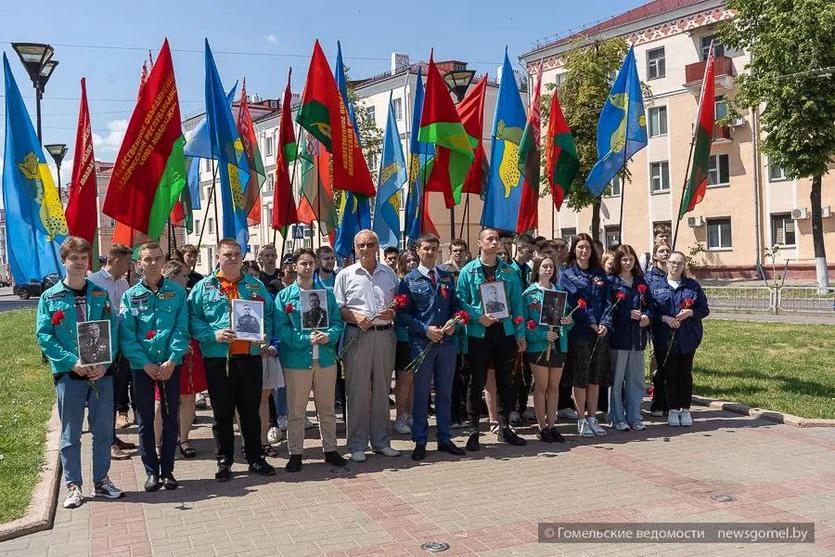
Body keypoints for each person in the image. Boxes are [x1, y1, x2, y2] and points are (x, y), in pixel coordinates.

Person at [36, 236, 124, 508]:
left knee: (103, 431)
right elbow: (45, 335)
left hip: (101, 374)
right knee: (71, 433)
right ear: (64, 261)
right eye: (73, 258)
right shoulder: (50, 297)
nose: (78, 263)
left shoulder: (99, 293)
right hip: (70, 374)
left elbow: (113, 330)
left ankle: (102, 480)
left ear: (89, 262)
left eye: (83, 258)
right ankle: (73, 485)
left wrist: (104, 363)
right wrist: (70, 361)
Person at [189, 238, 276, 481]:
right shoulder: (204, 287)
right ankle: (224, 459)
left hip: (250, 357)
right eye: (228, 254)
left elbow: (268, 315)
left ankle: (255, 457)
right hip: (219, 359)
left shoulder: (255, 286)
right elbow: (193, 318)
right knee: (223, 414)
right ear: (218, 257)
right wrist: (212, 335)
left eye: (237, 254)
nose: (233, 258)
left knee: (250, 412)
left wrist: (264, 334)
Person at [119, 242, 189, 491]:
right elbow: (127, 336)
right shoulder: (130, 296)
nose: (153, 263)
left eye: (157, 258)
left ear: (163, 261)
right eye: (147, 259)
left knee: (171, 420)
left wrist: (173, 358)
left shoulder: (178, 293)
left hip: (170, 365)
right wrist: (145, 363)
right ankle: (151, 471)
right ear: (139, 264)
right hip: (142, 368)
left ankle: (168, 470)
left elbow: (181, 329)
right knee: (146, 420)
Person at [397, 234, 467, 460]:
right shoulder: (409, 280)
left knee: (445, 393)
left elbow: (457, 306)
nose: (430, 252)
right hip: (422, 343)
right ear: (417, 250)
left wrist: (454, 322)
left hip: (446, 344)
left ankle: (444, 438)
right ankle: (420, 440)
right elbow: (403, 315)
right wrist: (425, 330)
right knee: (421, 394)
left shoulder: (446, 277)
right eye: (426, 248)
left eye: (434, 248)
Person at [275, 248, 346, 471]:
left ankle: (331, 449)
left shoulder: (326, 294)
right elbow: (282, 330)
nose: (307, 267)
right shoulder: (284, 297)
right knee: (296, 409)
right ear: (294, 266)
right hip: (298, 360)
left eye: (311, 263)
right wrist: (306, 338)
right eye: (303, 263)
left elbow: (337, 322)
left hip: (325, 358)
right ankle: (295, 452)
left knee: (326, 407)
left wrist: (329, 336)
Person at [457, 227, 527, 451]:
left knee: (506, 382)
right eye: (490, 239)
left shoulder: (508, 271)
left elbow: (517, 304)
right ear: (479, 243)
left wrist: (521, 333)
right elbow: (460, 302)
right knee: (475, 382)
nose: (495, 242)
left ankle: (505, 428)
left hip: (504, 331)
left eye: (497, 239)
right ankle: (473, 430)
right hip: (479, 333)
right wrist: (478, 317)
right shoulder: (468, 271)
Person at [334, 229, 401, 462]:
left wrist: (393, 310)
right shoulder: (345, 275)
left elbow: (397, 303)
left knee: (383, 390)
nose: (365, 249)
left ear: (377, 247)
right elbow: (338, 309)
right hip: (358, 336)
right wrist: (354, 316)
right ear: (355, 248)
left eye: (370, 244)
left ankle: (382, 441)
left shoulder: (389, 273)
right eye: (361, 245)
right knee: (358, 391)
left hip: (384, 335)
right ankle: (357, 444)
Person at [559, 233, 613, 438]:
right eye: (580, 247)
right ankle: (581, 419)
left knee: (595, 378)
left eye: (588, 248)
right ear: (574, 250)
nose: (584, 251)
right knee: (580, 378)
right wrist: (591, 322)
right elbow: (573, 304)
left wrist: (605, 323)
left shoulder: (599, 274)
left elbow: (608, 301)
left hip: (600, 334)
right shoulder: (567, 274)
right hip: (580, 333)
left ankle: (592, 417)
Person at [649, 251, 710, 427]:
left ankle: (685, 409)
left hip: (687, 338)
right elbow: (651, 311)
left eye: (680, 263)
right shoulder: (656, 286)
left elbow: (704, 309)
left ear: (684, 266)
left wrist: (690, 312)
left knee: (685, 374)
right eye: (673, 262)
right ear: (667, 264)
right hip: (664, 338)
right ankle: (673, 410)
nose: (676, 266)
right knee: (669, 374)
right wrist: (664, 318)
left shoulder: (692, 286)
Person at [88, 243, 136, 459]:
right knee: (103, 396)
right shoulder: (94, 283)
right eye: (127, 262)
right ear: (116, 261)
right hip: (101, 343)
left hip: (121, 343)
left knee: (117, 390)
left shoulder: (124, 282)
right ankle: (107, 444)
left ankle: (113, 437)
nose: (129, 266)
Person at [159, 260, 207, 459]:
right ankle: (161, 440)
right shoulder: (158, 296)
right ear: (171, 277)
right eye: (184, 276)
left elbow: (195, 320)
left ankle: (184, 438)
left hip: (190, 351)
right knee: (162, 399)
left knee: (187, 396)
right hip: (164, 352)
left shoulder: (188, 297)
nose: (188, 280)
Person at [523, 256, 573, 442]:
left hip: (559, 345)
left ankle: (552, 425)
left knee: (554, 387)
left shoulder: (559, 292)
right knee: (542, 386)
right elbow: (525, 324)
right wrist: (542, 335)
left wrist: (568, 321)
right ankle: (541, 427)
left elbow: (567, 320)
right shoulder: (529, 294)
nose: (548, 269)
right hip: (539, 346)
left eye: (551, 266)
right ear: (537, 269)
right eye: (544, 266)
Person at [607, 245, 651, 432]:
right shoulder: (611, 282)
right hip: (619, 337)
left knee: (636, 379)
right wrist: (626, 314)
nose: (627, 263)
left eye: (631, 259)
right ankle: (617, 417)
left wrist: (647, 315)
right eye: (624, 259)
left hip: (637, 338)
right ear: (618, 261)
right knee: (617, 380)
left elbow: (651, 305)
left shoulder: (641, 282)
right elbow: (608, 309)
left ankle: (634, 415)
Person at [510, 234, 535, 425]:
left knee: (526, 369)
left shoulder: (529, 270)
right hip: (513, 323)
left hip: (529, 324)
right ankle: (511, 408)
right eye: (529, 251)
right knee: (513, 369)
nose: (532, 254)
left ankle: (523, 406)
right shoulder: (508, 269)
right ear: (519, 249)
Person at [393, 249, 419, 435]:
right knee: (403, 378)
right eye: (407, 260)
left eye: (414, 260)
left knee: (414, 380)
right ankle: (400, 416)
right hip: (403, 336)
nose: (412, 263)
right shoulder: (397, 282)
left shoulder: (420, 279)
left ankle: (411, 414)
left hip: (419, 336)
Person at [646, 241, 672, 416]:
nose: (665, 254)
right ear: (655, 255)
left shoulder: (673, 275)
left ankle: (670, 401)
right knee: (657, 362)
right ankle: (657, 400)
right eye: (661, 251)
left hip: (672, 327)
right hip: (656, 326)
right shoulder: (650, 277)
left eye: (667, 251)